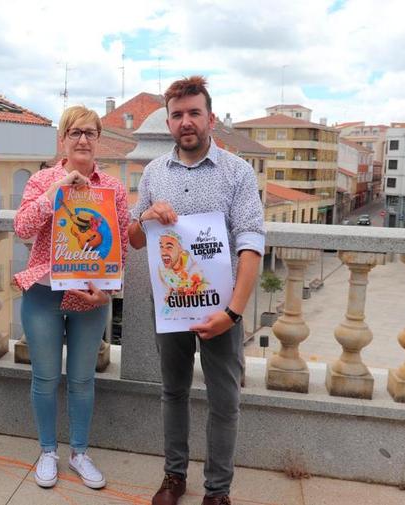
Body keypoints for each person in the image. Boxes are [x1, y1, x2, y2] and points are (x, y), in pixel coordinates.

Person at [128, 76, 264, 505]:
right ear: (169, 122)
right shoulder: (152, 173)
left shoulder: (238, 173)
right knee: (174, 392)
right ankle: (174, 477)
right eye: (177, 114)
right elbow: (133, 237)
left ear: (210, 118)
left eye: (194, 113)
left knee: (224, 400)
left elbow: (251, 242)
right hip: (170, 306)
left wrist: (234, 313)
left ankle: (217, 491)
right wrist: (147, 214)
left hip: (220, 310)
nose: (186, 122)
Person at [13, 105, 129, 490]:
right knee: (44, 378)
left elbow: (122, 246)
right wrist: (55, 191)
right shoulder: (43, 179)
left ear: (98, 139)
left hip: (89, 298)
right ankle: (48, 451)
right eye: (75, 132)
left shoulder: (112, 188)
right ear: (63, 138)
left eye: (90, 133)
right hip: (45, 293)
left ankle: (79, 452)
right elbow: (23, 228)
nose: (82, 139)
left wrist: (107, 292)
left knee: (82, 380)